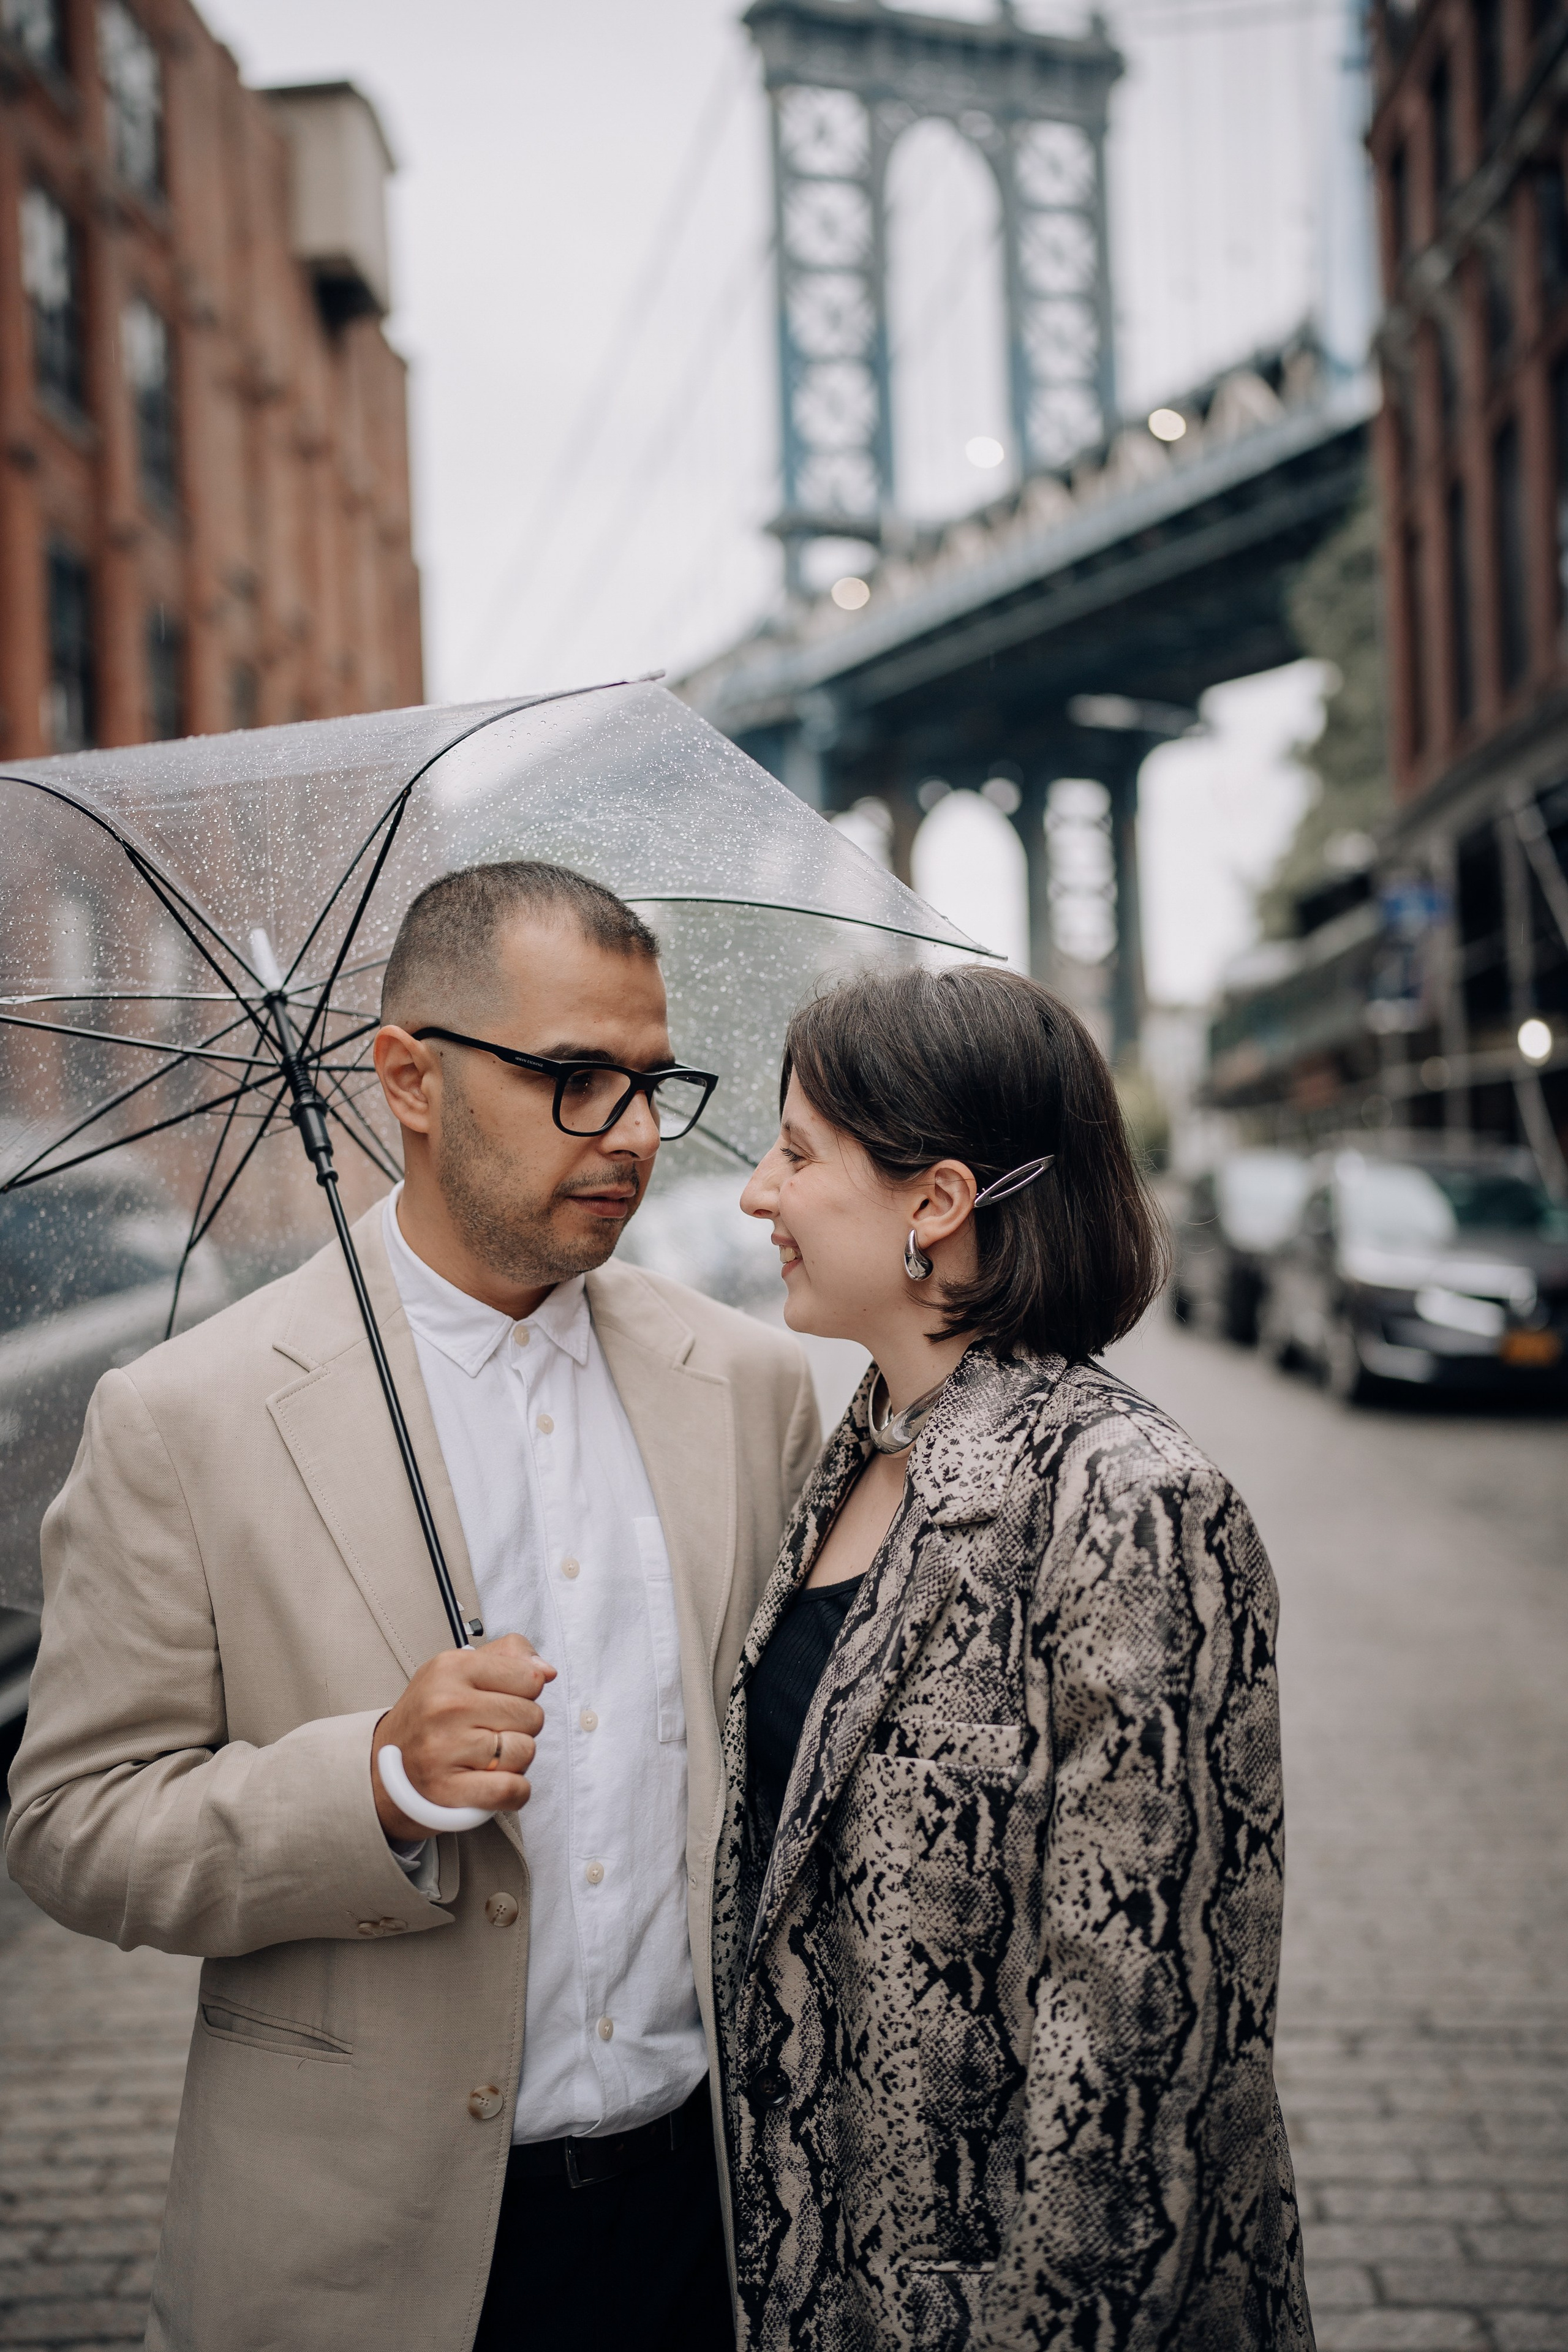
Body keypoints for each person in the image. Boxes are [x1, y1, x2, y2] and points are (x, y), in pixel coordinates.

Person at [6, 860, 821, 2352]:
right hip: (356, 2258)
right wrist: (371, 1780)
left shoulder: (750, 1388)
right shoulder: (187, 1417)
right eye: (576, 1078)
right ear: (408, 1080)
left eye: (653, 1081)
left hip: (699, 2228)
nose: (634, 1135)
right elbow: (71, 1826)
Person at [717, 962, 1314, 2351]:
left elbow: (1138, 2053)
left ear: (933, 1203)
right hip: (823, 2284)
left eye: (796, 1153)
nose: (756, 1194)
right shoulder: (861, 1450)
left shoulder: (1133, 1498)